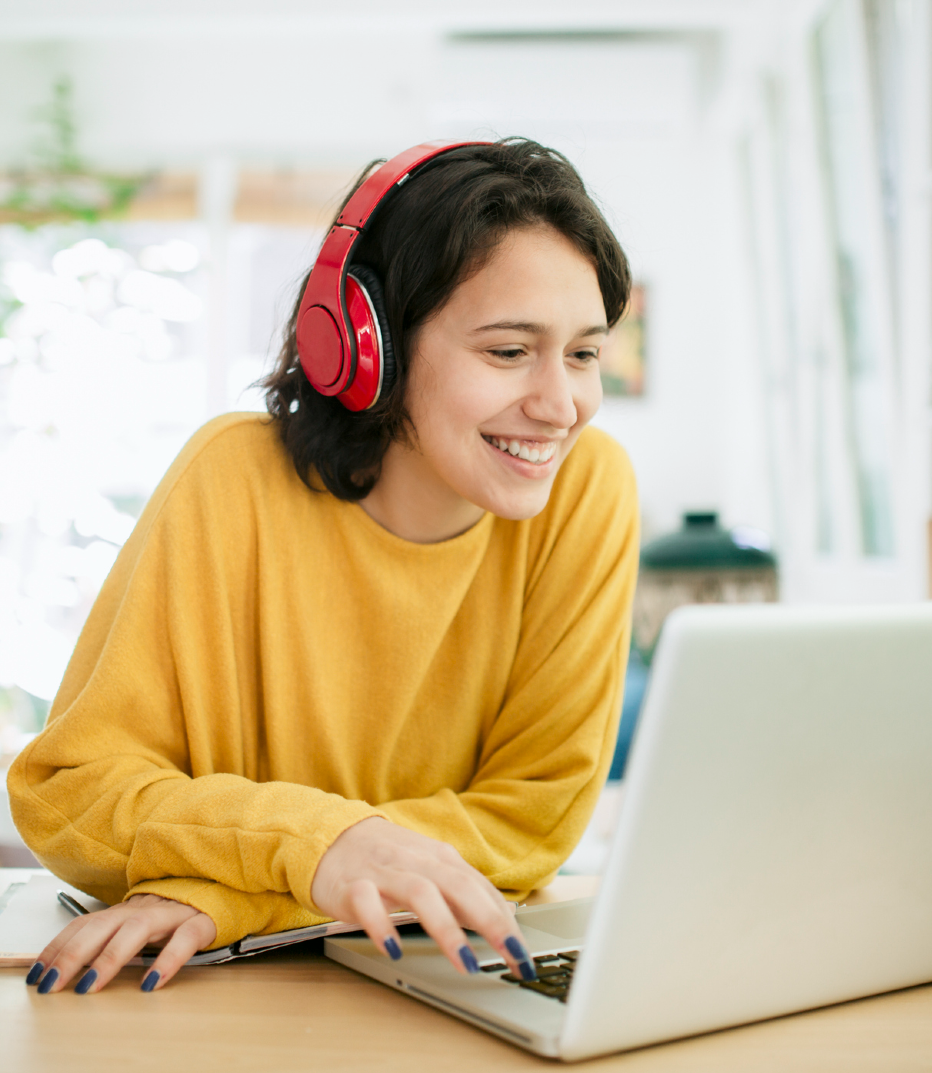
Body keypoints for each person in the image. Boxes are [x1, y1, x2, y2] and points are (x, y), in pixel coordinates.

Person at [7, 139, 639, 996]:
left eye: (583, 354)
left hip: (437, 974)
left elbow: (535, 817)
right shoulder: (231, 478)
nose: (560, 406)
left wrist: (246, 890)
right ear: (365, 344)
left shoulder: (588, 491)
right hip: (233, 1007)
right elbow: (70, 790)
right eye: (506, 352)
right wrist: (326, 850)